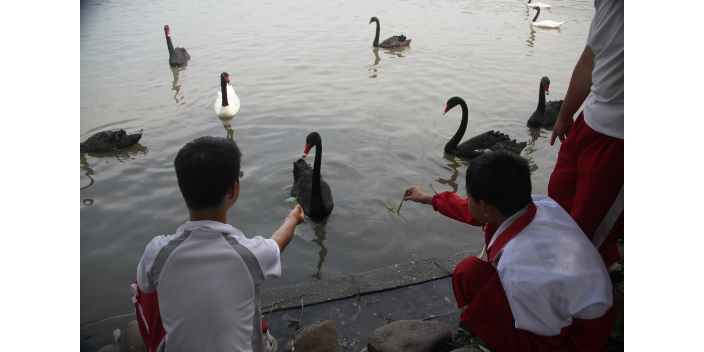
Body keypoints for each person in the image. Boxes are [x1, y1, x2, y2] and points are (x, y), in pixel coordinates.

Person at [403, 151, 616, 351]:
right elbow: (476, 214)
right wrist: (428, 198)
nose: (468, 203)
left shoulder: (517, 266)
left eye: (470, 198)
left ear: (485, 207)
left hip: (574, 340)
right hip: (590, 309)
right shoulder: (542, 204)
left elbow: (549, 334)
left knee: (468, 273)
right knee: (470, 271)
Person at [130, 136, 304, 352]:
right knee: (259, 328)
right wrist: (293, 218)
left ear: (182, 187)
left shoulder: (157, 251)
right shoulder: (250, 255)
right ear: (233, 190)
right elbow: (278, 242)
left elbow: (144, 288)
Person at [548, 0, 624, 284]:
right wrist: (565, 115)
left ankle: (579, 291)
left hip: (618, 137)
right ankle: (601, 259)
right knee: (559, 197)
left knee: (589, 225)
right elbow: (589, 59)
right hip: (589, 119)